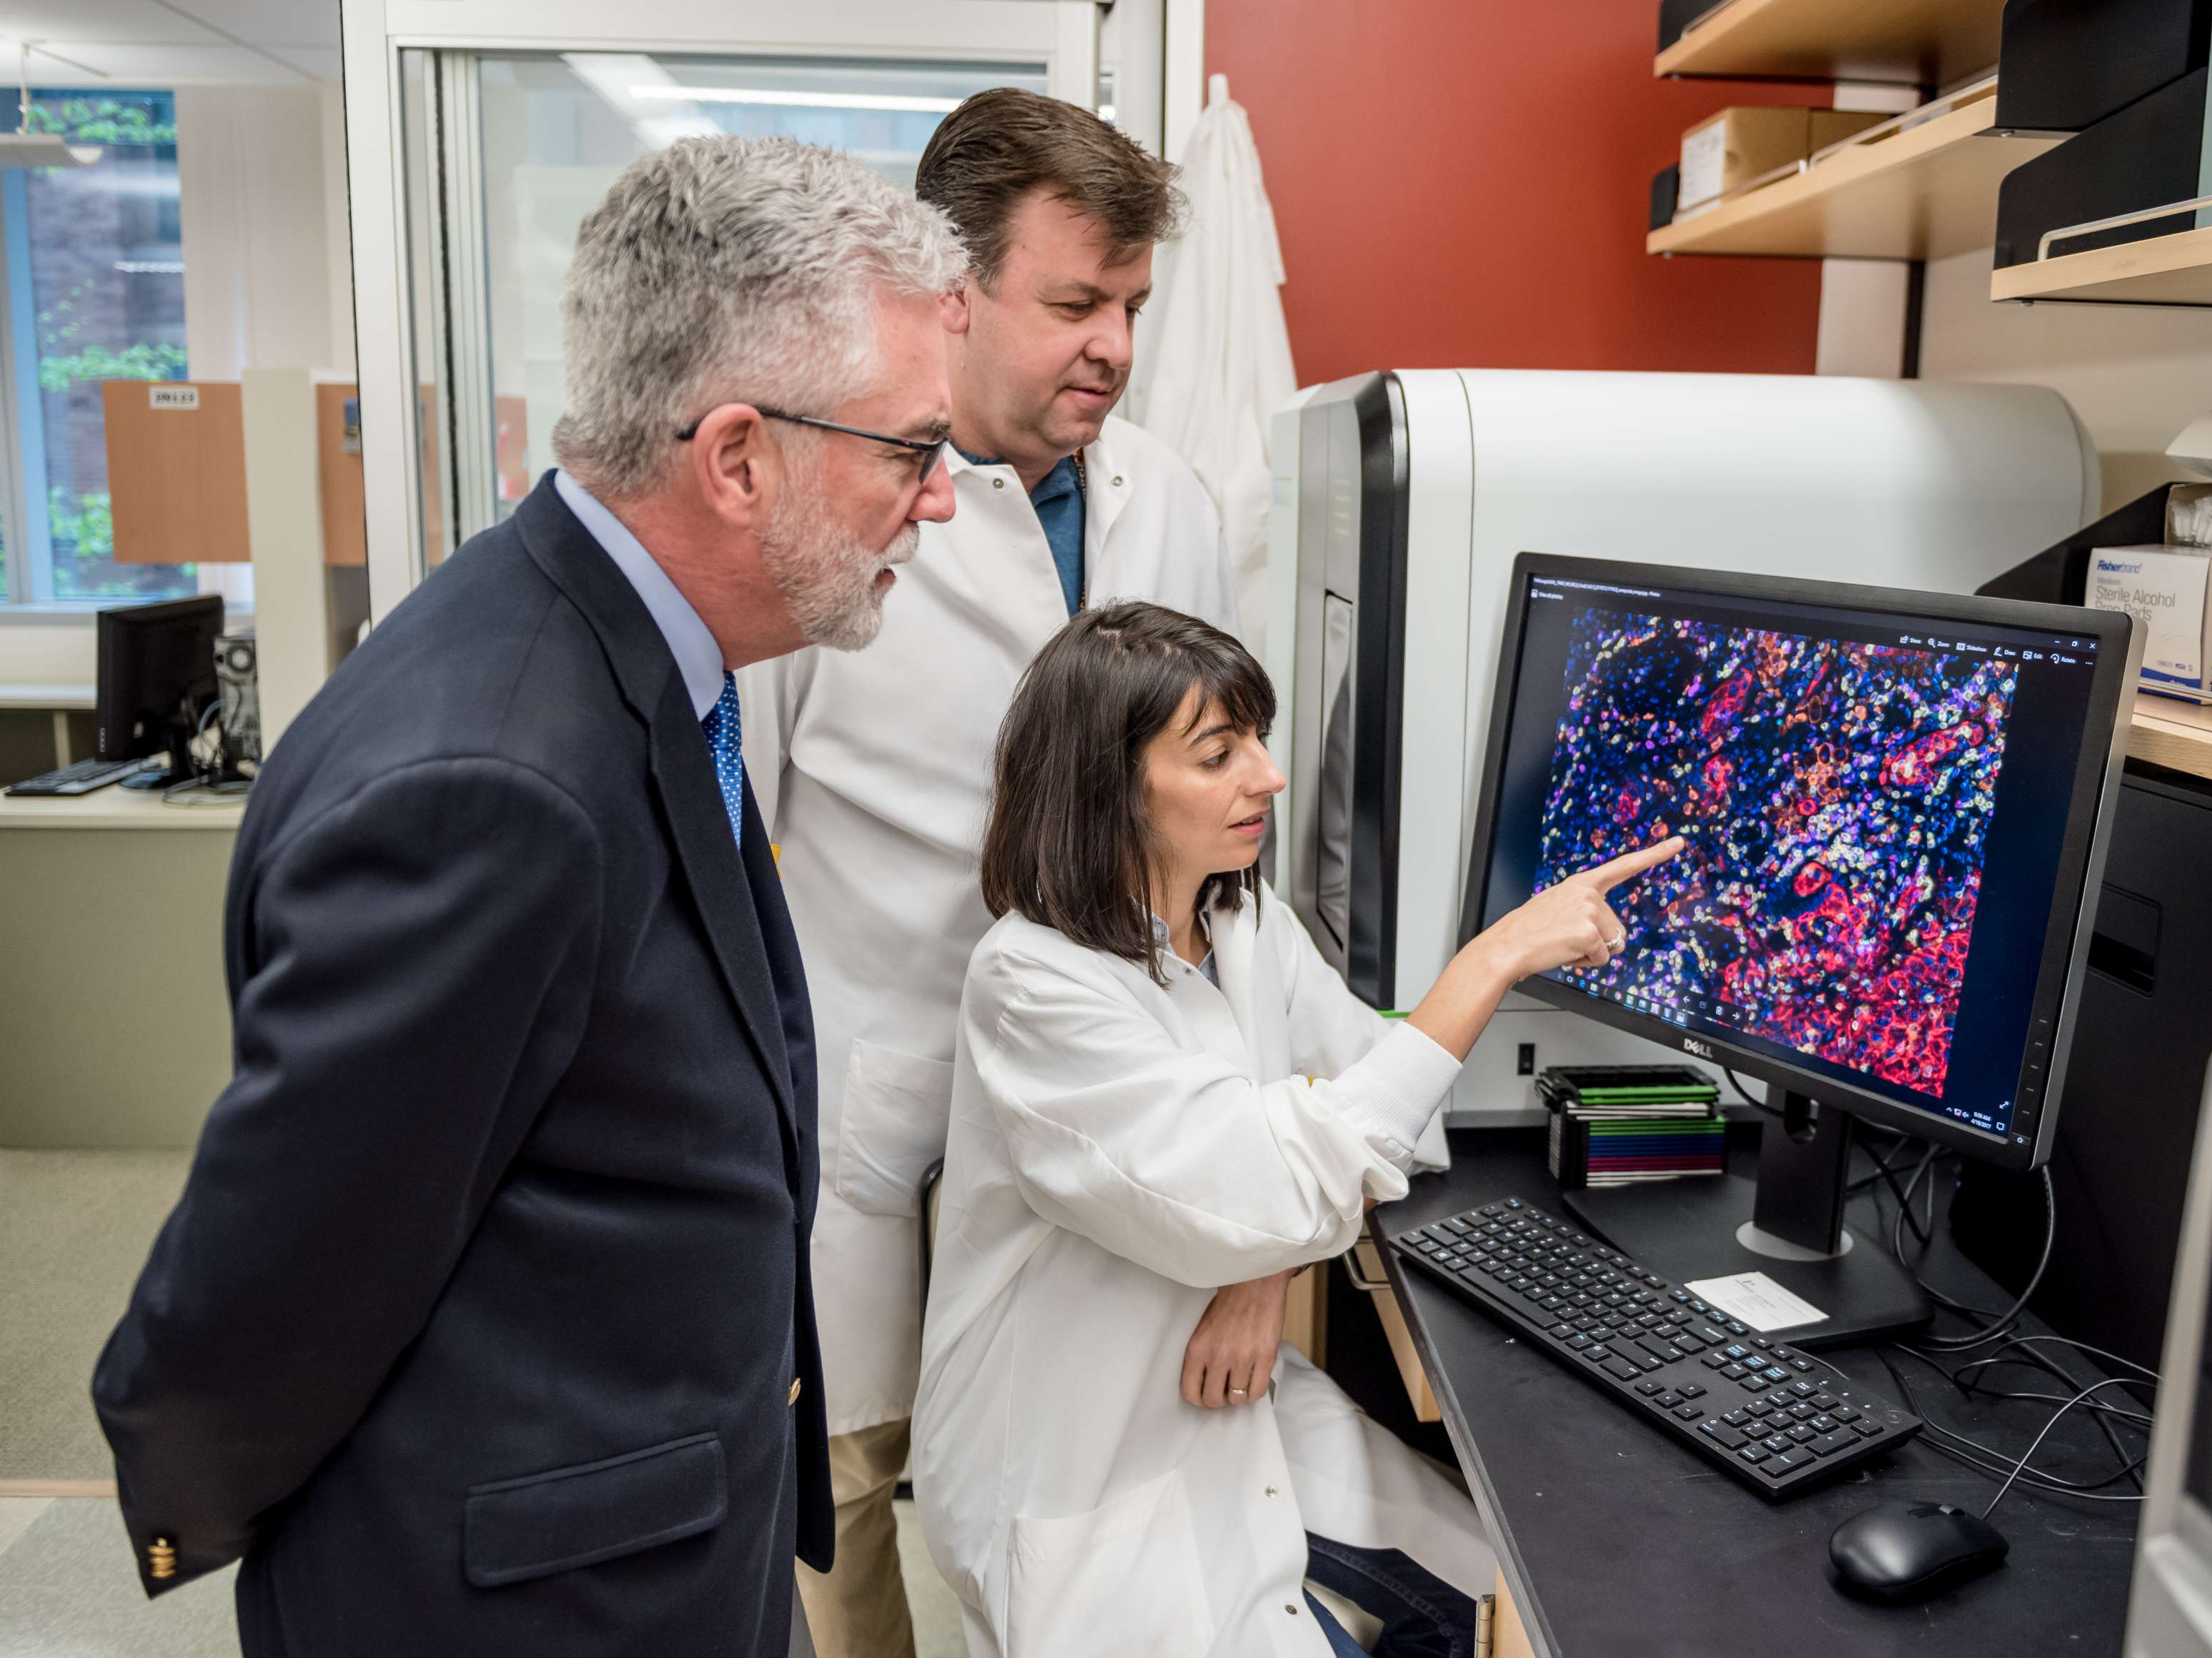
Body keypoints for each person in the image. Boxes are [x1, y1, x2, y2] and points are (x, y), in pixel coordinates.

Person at [87, 137, 963, 1656]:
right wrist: (213, 1514)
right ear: (739, 455)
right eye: (909, 451)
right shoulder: (495, 782)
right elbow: (271, 1282)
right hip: (533, 1601)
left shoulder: (627, 652)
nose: (940, 503)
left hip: (655, 1540)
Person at [913, 602, 1683, 1657]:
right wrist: (1488, 963)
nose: (1270, 777)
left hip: (1239, 1400)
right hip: (1082, 1462)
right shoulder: (1033, 983)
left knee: (1528, 1602)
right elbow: (1278, 1179)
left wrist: (1262, 1268)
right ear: (1111, 789)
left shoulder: (1240, 919)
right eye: (1220, 753)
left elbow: (1398, 1115)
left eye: (1258, 741)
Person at [735, 88, 1235, 1655]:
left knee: (1071, 1520)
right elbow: (726, 833)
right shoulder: (824, 513)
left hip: (1096, 1131)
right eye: (1075, 302)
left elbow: (1221, 842)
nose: (1113, 345)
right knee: (844, 1529)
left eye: (1133, 307)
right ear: (953, 293)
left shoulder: (1174, 506)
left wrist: (1259, 1229)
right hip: (870, 1132)